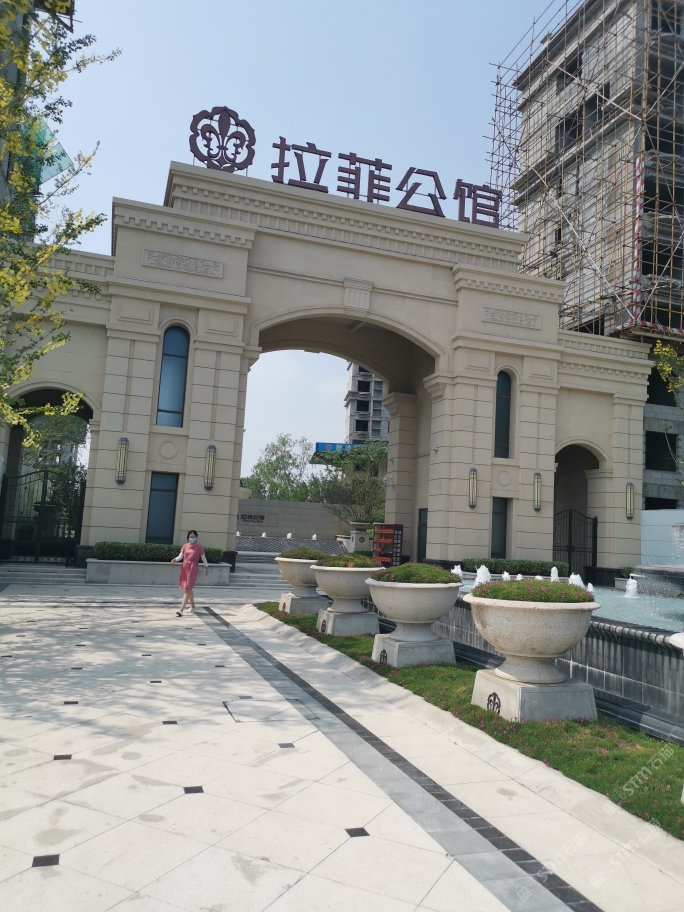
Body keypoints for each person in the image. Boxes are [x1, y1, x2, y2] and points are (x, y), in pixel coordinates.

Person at [171, 530, 209, 616]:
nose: (192, 538)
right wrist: (175, 559)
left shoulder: (200, 547)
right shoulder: (185, 546)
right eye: (190, 537)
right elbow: (181, 556)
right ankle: (192, 606)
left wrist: (206, 567)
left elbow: (203, 558)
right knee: (189, 589)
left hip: (193, 568)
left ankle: (181, 610)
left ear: (196, 537)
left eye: (193, 537)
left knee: (187, 588)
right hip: (184, 568)